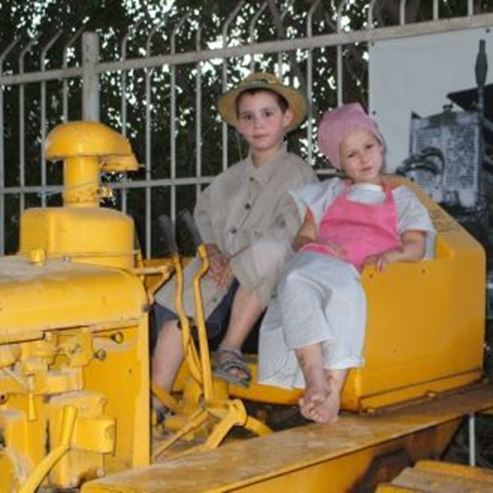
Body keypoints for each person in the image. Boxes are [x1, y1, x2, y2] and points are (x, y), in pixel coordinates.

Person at [257, 103, 435, 424]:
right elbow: (302, 239)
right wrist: (319, 244)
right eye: (352, 154)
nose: (364, 158)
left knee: (346, 296)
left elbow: (416, 245)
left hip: (354, 273)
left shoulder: (403, 198)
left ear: (380, 145)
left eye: (368, 147)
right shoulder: (329, 194)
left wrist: (392, 255)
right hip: (317, 260)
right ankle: (314, 376)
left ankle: (331, 393)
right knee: (295, 279)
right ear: (340, 163)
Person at [152, 72, 317, 398]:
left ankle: (230, 348)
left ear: (287, 118)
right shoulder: (226, 180)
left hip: (267, 276)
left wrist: (242, 258)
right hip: (220, 267)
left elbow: (295, 229)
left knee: (269, 252)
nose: (258, 124)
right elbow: (204, 219)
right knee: (180, 298)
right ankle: (157, 397)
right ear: (239, 126)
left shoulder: (298, 174)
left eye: (267, 114)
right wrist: (211, 251)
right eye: (248, 117)